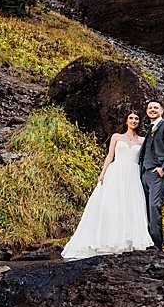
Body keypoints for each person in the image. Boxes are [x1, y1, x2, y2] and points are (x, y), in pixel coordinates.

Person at [61, 110, 154, 259]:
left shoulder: (142, 140)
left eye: (136, 118)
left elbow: (147, 157)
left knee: (131, 205)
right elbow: (110, 155)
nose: (133, 120)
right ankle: (109, 239)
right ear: (126, 121)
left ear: (139, 122)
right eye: (130, 118)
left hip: (132, 174)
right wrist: (102, 173)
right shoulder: (117, 137)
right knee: (111, 204)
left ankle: (127, 240)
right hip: (116, 171)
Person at [139, 99, 164, 249]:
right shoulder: (150, 129)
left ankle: (156, 244)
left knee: (154, 207)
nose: (153, 110)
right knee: (145, 208)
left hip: (157, 174)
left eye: (156, 108)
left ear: (162, 111)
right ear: (146, 111)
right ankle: (148, 241)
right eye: (150, 108)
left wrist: (163, 169)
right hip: (144, 174)